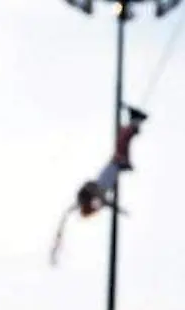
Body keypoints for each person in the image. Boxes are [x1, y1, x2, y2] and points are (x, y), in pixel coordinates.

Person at [49, 105, 148, 266]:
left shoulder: (90, 198)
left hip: (111, 170)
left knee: (121, 142)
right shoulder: (96, 199)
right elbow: (103, 201)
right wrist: (118, 209)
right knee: (121, 143)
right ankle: (134, 122)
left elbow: (95, 197)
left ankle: (133, 122)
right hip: (114, 167)